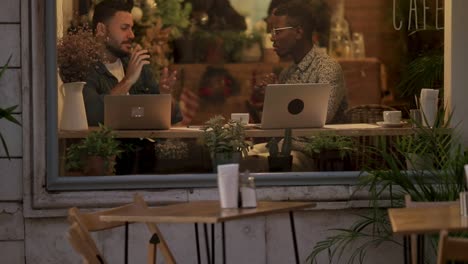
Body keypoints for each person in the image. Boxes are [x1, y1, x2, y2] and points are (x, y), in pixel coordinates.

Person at [83, 0, 198, 126]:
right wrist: (127, 81)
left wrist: (164, 95)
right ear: (101, 29)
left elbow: (174, 116)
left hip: (144, 144)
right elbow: (91, 114)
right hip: (106, 145)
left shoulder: (137, 65)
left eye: (131, 28)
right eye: (124, 28)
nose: (131, 35)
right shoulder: (85, 68)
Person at [252, 0, 347, 124]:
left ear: (298, 32)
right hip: (287, 143)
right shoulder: (287, 73)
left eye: (278, 31)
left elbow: (321, 118)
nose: (272, 37)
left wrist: (277, 98)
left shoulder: (327, 68)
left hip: (319, 143)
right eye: (272, 32)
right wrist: (269, 97)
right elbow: (277, 124)